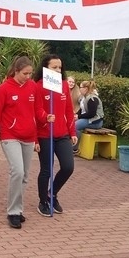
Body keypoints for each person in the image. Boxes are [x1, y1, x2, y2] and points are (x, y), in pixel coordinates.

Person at [0, 56, 51, 229]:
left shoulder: (32, 87)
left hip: (29, 137)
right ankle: (13, 211)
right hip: (10, 135)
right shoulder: (4, 89)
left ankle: (18, 209)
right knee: (17, 170)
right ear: (16, 71)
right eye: (25, 73)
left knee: (24, 176)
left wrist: (45, 118)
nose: (28, 77)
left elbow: (37, 110)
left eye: (30, 73)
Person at [33, 54, 77, 216]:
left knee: (68, 167)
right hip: (45, 134)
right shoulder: (38, 86)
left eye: (60, 67)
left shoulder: (65, 85)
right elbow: (36, 110)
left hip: (62, 134)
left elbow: (68, 110)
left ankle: (52, 193)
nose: (58, 70)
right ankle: (43, 201)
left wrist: (72, 132)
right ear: (46, 68)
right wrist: (45, 117)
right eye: (54, 67)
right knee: (46, 170)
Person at [73, 80, 105, 152]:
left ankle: (74, 149)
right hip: (88, 119)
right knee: (70, 123)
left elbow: (91, 114)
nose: (79, 89)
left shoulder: (92, 98)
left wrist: (79, 117)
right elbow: (82, 110)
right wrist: (76, 115)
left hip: (95, 122)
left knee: (74, 126)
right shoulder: (83, 97)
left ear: (86, 89)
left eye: (80, 87)